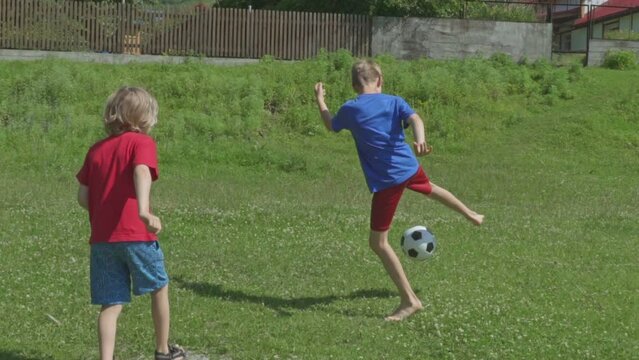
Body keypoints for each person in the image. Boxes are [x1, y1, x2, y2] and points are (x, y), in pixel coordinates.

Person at [314, 59, 484, 321]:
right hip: (409, 166)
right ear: (380, 80)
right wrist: (420, 140)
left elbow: (330, 125)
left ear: (353, 85)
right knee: (430, 187)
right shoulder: (394, 101)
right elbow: (415, 118)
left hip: (388, 180)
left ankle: (409, 300)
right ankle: (470, 213)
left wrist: (321, 100)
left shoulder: (350, 108)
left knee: (378, 243)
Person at [76, 87, 186, 360]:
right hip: (137, 235)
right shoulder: (142, 143)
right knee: (159, 286)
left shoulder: (96, 150)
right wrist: (144, 210)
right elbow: (141, 171)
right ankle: (162, 350)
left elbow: (82, 197)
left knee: (110, 304)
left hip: (102, 240)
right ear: (145, 117)